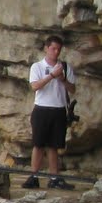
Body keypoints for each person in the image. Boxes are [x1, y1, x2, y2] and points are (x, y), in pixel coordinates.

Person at [25, 34, 77, 189]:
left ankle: (54, 178)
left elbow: (72, 89)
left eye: (58, 49)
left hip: (59, 109)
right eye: (53, 48)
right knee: (38, 144)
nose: (56, 52)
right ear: (46, 48)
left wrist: (62, 79)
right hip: (42, 108)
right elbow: (35, 86)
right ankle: (33, 176)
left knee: (54, 145)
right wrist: (52, 75)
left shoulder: (65, 67)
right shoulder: (37, 67)